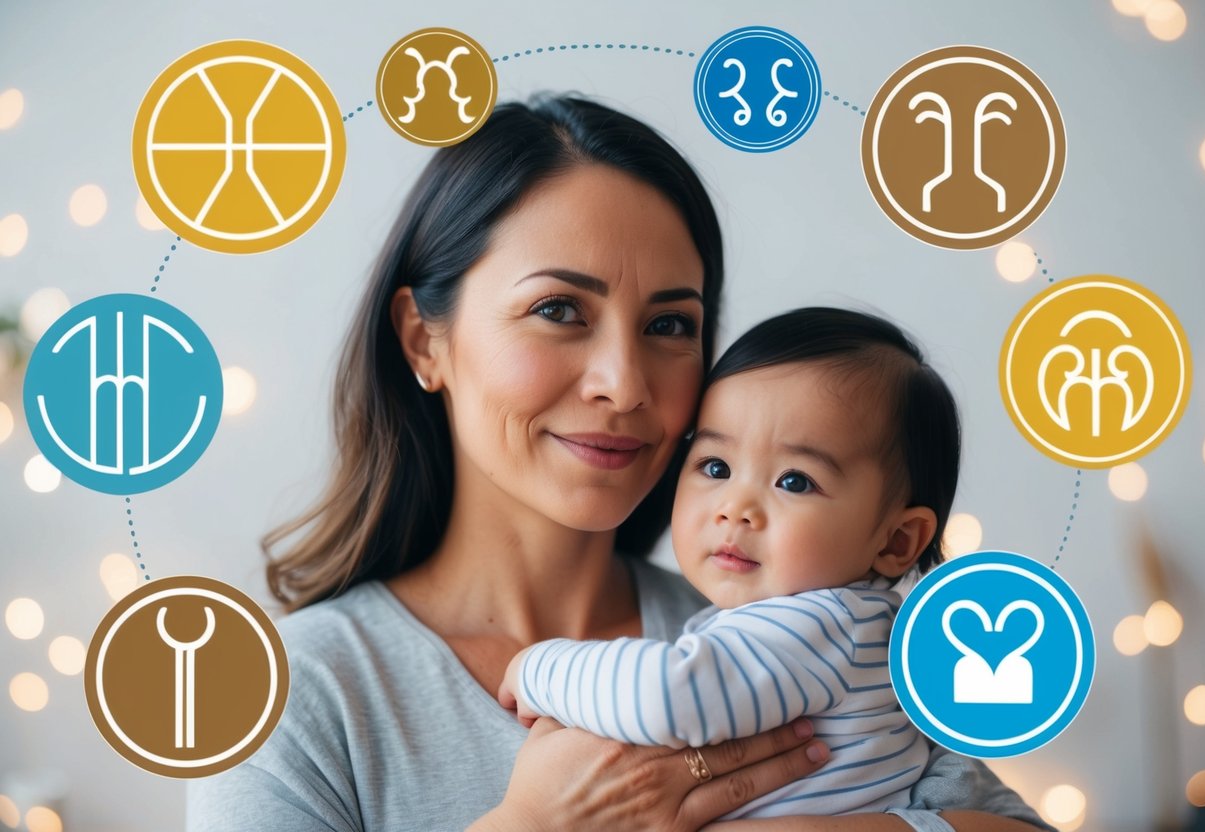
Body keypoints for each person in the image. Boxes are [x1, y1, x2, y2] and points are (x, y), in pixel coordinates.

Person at [186, 95, 1054, 832]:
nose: (624, 383)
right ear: (425, 339)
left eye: (670, 325)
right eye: (560, 309)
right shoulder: (294, 697)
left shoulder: (779, 617)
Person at [499, 307, 959, 820]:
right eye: (715, 467)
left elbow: (664, 698)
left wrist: (538, 667)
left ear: (897, 541)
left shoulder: (825, 626)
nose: (733, 507)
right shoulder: (870, 634)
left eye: (794, 481)